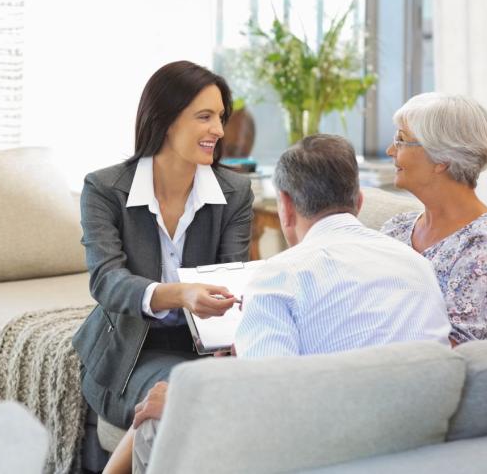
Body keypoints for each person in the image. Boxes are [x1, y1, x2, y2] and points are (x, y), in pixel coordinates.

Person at [106, 134, 452, 474]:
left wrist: (187, 402)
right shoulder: (417, 265)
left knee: (156, 418)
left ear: (284, 205)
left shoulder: (279, 277)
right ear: (359, 201)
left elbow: (271, 412)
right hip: (419, 449)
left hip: (330, 452)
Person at [72, 61, 254, 437]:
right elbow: (106, 281)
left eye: (220, 117)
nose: (219, 131)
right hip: (131, 353)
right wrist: (180, 294)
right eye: (204, 117)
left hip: (208, 350)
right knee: (191, 404)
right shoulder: (105, 189)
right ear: (166, 120)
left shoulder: (235, 192)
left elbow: (232, 277)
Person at [380, 92, 487, 344]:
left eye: (401, 140)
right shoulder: (396, 229)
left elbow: (454, 350)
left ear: (442, 159)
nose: (390, 150)